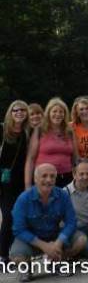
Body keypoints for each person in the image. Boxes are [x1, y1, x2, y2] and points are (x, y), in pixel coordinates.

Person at [10, 164, 87, 281]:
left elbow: (71, 222)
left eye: (52, 176)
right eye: (44, 176)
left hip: (54, 236)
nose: (49, 180)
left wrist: (58, 242)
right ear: (35, 179)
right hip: (32, 239)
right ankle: (27, 268)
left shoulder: (63, 195)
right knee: (16, 256)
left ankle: (57, 261)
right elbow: (18, 229)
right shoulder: (23, 199)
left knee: (81, 240)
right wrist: (44, 246)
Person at [0, 101, 30, 264]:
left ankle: (11, 253)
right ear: (10, 113)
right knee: (8, 217)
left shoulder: (27, 133)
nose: (19, 112)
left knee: (18, 217)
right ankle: (2, 255)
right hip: (4, 183)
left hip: (21, 181)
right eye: (15, 110)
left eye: (22, 110)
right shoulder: (2, 130)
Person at [25, 97, 78, 188]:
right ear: (48, 113)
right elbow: (30, 159)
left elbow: (75, 158)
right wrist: (28, 185)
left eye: (61, 112)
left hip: (66, 178)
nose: (58, 114)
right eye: (54, 111)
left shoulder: (69, 131)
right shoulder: (40, 130)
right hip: (44, 178)